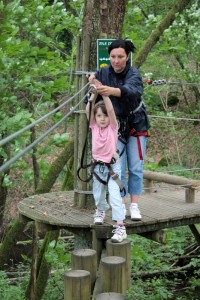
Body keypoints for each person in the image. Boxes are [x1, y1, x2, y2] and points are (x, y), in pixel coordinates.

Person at [89, 38, 150, 221]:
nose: (116, 61)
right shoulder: (103, 72)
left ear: (127, 56)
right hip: (114, 127)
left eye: (120, 57)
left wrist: (109, 90)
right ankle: (121, 205)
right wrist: (94, 86)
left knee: (136, 166)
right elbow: (92, 98)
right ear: (109, 57)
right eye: (113, 57)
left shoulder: (133, 73)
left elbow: (132, 90)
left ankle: (135, 205)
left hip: (136, 124)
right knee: (118, 167)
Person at [86, 84, 127, 243]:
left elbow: (110, 111)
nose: (102, 118)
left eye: (104, 115)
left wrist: (104, 95)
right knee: (98, 195)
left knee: (115, 197)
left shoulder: (112, 128)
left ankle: (120, 227)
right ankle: (100, 210)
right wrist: (92, 96)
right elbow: (88, 111)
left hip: (112, 167)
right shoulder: (94, 127)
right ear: (95, 119)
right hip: (98, 167)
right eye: (99, 116)